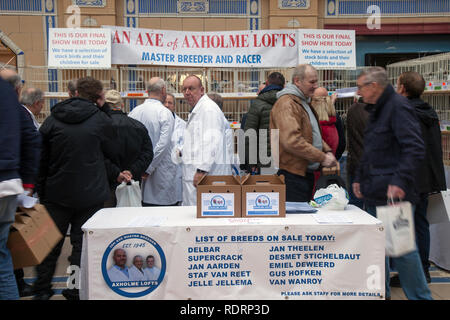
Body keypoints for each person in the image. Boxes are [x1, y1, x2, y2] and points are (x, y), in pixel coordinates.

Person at [33, 76, 119, 300]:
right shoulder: (101, 120)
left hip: (56, 192)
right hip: (89, 195)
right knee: (80, 247)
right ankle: (74, 288)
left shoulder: (54, 118)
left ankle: (42, 289)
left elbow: (41, 158)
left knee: (49, 244)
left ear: (76, 92)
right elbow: (113, 150)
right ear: (98, 97)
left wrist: (41, 189)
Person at [352, 67, 432, 300]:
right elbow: (373, 150)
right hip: (376, 190)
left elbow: (414, 147)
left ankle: (421, 297)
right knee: (378, 248)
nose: (359, 92)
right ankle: (380, 294)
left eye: (361, 86)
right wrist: (359, 176)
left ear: (373, 86)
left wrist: (399, 181)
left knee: (402, 249)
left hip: (394, 194)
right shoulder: (378, 109)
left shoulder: (397, 107)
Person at [390, 71, 446, 286]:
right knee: (421, 224)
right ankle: (423, 271)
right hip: (426, 179)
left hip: (405, 180)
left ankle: (409, 276)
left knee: (401, 227)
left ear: (402, 88)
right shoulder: (429, 112)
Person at [1, 68, 41, 298]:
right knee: (2, 256)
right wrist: (27, 183)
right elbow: (32, 141)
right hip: (9, 184)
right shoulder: (13, 104)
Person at [270, 64, 336, 202]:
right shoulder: (287, 104)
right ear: (297, 81)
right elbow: (292, 140)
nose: (315, 86)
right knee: (297, 221)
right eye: (311, 82)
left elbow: (311, 133)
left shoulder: (302, 101)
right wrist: (322, 157)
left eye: (316, 81)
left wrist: (327, 150)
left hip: (303, 174)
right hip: (292, 176)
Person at [181, 75, 231, 206]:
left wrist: (201, 170)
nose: (187, 92)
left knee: (204, 218)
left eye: (191, 88)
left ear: (202, 90)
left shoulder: (208, 109)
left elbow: (211, 141)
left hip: (207, 176)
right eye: (184, 89)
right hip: (198, 174)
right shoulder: (198, 110)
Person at [129, 77, 177, 206]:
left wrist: (140, 167)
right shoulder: (165, 113)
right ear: (163, 90)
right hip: (160, 175)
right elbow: (163, 145)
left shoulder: (134, 112)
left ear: (147, 91)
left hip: (137, 172)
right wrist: (148, 168)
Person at [103, 90, 154, 207]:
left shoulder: (100, 127)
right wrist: (132, 171)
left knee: (107, 221)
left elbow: (97, 155)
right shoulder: (138, 126)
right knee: (130, 220)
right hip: (132, 183)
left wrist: (116, 173)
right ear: (122, 105)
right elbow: (147, 153)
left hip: (107, 185)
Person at [244, 72, 285, 175]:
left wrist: (252, 162)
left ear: (267, 83)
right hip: (287, 158)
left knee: (266, 189)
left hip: (264, 159)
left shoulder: (258, 104)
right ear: (284, 85)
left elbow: (249, 134)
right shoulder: (289, 102)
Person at [346, 96, 369, 210]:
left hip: (356, 164)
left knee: (356, 206)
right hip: (376, 169)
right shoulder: (382, 111)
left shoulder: (353, 110)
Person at [164, 93, 186, 205]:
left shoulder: (182, 124)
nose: (167, 105)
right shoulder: (158, 121)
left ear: (174, 106)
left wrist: (180, 150)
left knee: (176, 202)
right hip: (161, 170)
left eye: (170, 103)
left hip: (177, 166)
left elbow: (186, 143)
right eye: (165, 102)